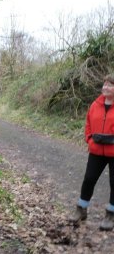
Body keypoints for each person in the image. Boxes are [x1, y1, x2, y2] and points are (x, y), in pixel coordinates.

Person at [69, 74, 114, 230]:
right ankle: (81, 209)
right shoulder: (95, 104)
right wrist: (89, 139)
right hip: (96, 150)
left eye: (110, 85)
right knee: (89, 179)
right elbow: (88, 123)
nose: (105, 87)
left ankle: (110, 215)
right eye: (105, 84)